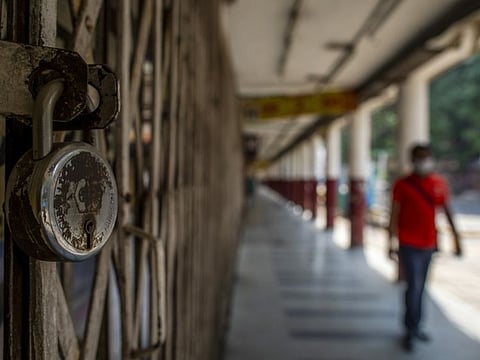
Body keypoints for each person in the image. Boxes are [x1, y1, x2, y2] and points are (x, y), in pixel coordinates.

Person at [388, 143, 462, 352]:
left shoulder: (438, 183)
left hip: (428, 244)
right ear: (412, 160)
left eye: (427, 157)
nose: (424, 161)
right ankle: (410, 328)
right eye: (420, 157)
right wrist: (390, 241)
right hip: (408, 243)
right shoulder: (402, 185)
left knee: (421, 287)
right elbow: (394, 214)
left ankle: (417, 325)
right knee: (414, 286)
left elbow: (447, 210)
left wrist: (457, 238)